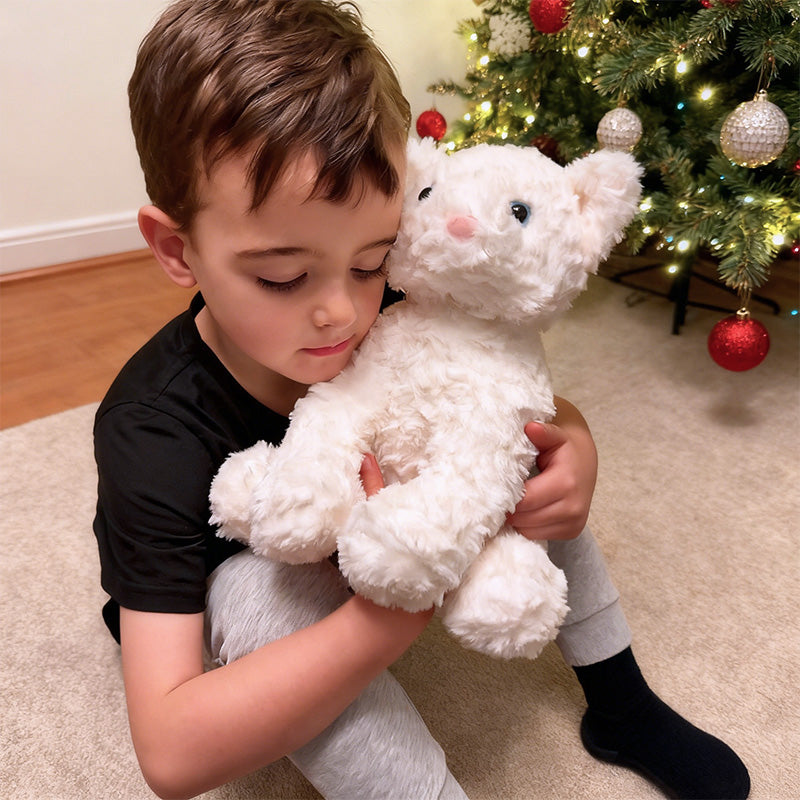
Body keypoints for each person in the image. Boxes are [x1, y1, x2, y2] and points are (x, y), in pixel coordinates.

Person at [93, 2, 750, 799]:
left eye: (372, 261)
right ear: (176, 248)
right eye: (281, 277)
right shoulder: (150, 427)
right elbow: (170, 754)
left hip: (383, 530)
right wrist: (392, 615)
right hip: (248, 571)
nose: (342, 310)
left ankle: (621, 702)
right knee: (253, 594)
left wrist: (573, 444)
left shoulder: (395, 306)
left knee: (506, 450)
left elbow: (500, 395)